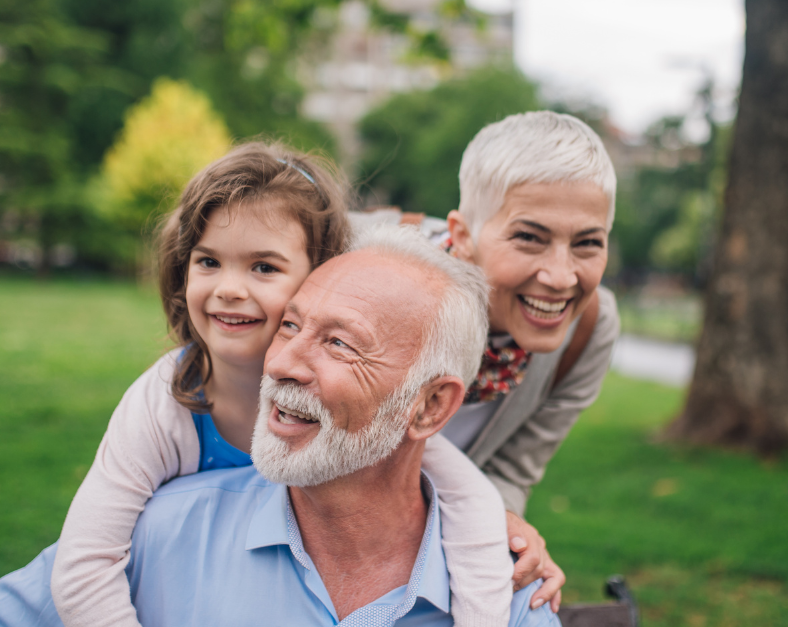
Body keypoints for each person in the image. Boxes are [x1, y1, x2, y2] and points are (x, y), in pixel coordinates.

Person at [0, 226, 558, 627]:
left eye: (340, 344)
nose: (284, 362)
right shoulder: (158, 535)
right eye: (288, 326)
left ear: (429, 408)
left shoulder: (510, 595)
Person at [49, 144, 513, 627]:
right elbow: (85, 563)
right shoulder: (164, 400)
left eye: (263, 267)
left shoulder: (371, 414)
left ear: (324, 275)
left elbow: (470, 503)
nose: (229, 288)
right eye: (208, 261)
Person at [360, 111, 621, 613]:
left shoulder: (589, 331)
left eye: (588, 242)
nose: (562, 277)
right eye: (530, 237)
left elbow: (511, 470)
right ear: (461, 235)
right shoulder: (367, 266)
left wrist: (507, 532)